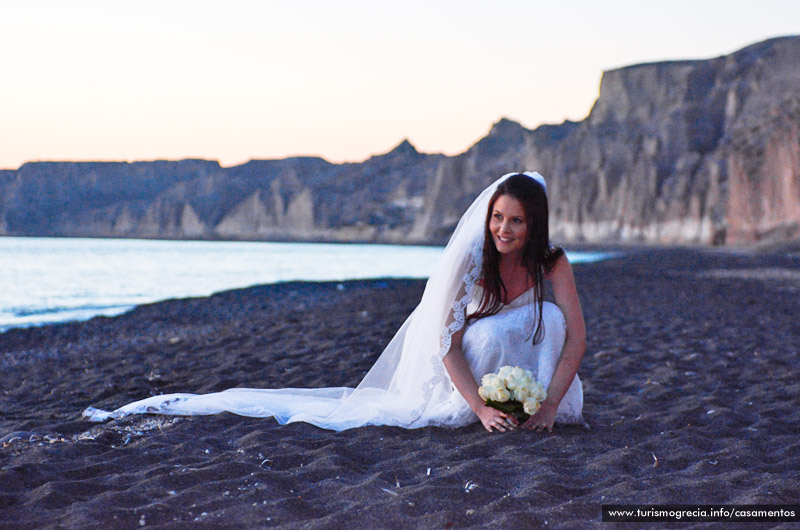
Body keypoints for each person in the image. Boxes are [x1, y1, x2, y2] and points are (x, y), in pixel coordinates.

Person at [83, 171, 585, 432]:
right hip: (476, 393)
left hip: (548, 398)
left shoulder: (553, 264)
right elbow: (446, 343)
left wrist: (548, 408)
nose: (503, 229)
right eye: (497, 217)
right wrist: (479, 408)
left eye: (516, 220)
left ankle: (532, 404)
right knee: (487, 331)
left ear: (533, 223)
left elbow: (577, 338)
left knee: (555, 325)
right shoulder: (475, 262)